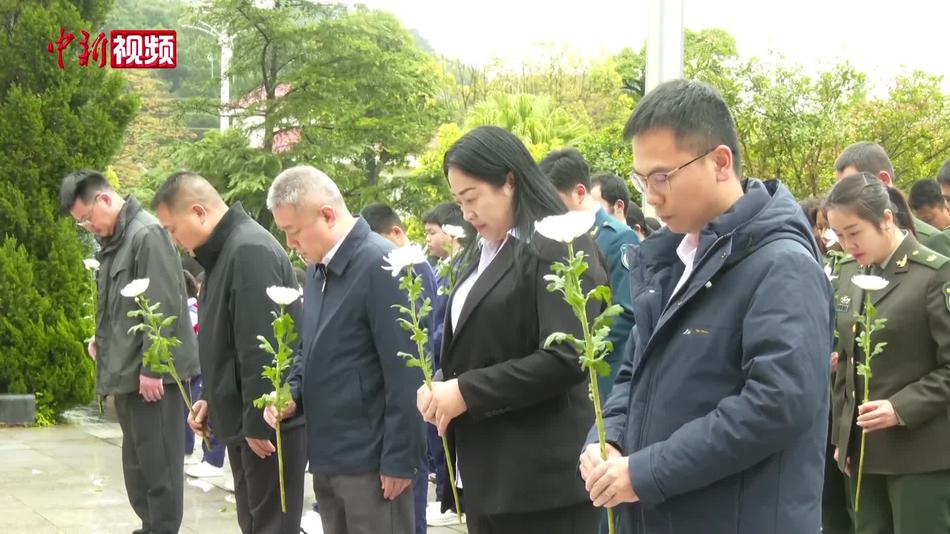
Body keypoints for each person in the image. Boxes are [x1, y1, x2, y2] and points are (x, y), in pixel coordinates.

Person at [579, 80, 833, 534]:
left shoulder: (782, 266)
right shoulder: (672, 261)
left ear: (720, 162)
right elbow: (632, 373)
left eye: (662, 177)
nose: (651, 197)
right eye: (641, 180)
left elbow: (775, 406)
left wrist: (644, 472)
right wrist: (607, 441)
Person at [417, 126, 605, 534]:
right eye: (459, 201)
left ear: (510, 180)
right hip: (487, 475)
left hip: (540, 483)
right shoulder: (478, 253)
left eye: (472, 198)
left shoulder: (559, 242)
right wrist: (441, 386)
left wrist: (466, 391)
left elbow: (568, 356)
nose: (466, 214)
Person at [265, 165, 424, 534]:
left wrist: (400, 459)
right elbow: (311, 348)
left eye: (293, 231)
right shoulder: (320, 270)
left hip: (371, 462)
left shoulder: (380, 263)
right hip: (328, 454)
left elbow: (406, 369)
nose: (291, 244)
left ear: (327, 215)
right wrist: (292, 394)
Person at [151, 171, 307, 534]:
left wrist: (258, 422)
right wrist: (209, 399)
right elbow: (227, 344)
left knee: (272, 525)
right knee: (254, 523)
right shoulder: (225, 253)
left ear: (199, 212)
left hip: (267, 423)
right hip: (246, 420)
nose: (173, 241)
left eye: (173, 229)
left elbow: (264, 347)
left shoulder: (249, 249)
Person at [59, 170, 199, 534]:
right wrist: (101, 340)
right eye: (81, 223)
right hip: (126, 375)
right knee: (137, 466)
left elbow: (164, 303)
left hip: (150, 379)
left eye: (87, 218)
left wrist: (154, 369)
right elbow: (125, 308)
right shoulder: (116, 241)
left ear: (104, 199)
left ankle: (162, 529)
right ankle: (149, 526)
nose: (88, 227)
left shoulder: (146, 234)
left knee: (160, 467)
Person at [825, 172, 950, 533]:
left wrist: (900, 407)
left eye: (854, 232)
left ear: (886, 219)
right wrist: (842, 437)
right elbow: (848, 363)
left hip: (920, 454)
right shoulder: (849, 273)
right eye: (840, 235)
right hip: (864, 454)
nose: (847, 244)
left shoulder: (933, 274)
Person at [360, 201, 440, 534]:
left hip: (413, 395)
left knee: (410, 500)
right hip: (412, 395)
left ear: (395, 232)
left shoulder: (411, 267)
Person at [540, 148, 639, 399]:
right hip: (572, 374)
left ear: (579, 192)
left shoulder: (617, 237)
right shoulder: (556, 237)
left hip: (604, 373)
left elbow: (626, 311)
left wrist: (583, 350)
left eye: (554, 199)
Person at [834, 141, 950, 256]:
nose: (845, 200)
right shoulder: (852, 249)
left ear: (883, 180)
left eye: (852, 188)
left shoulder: (930, 240)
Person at [179, 270, 228, 479]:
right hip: (203, 365)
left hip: (204, 367)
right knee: (195, 410)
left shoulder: (193, 309)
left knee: (211, 411)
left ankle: (213, 460)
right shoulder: (197, 308)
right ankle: (202, 456)